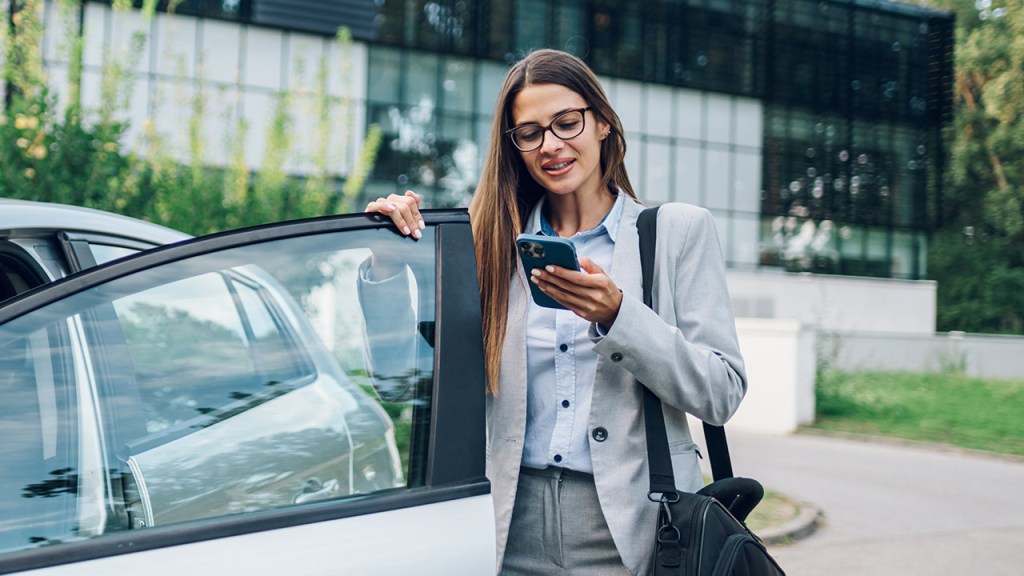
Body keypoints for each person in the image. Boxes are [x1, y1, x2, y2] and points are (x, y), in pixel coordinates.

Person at [364, 49, 747, 576]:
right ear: (514, 146)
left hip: (640, 530)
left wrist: (619, 316)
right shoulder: (487, 247)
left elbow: (720, 393)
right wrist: (385, 269)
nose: (551, 145)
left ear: (604, 123)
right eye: (530, 132)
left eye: (567, 122)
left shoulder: (676, 233)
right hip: (506, 526)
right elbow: (400, 385)